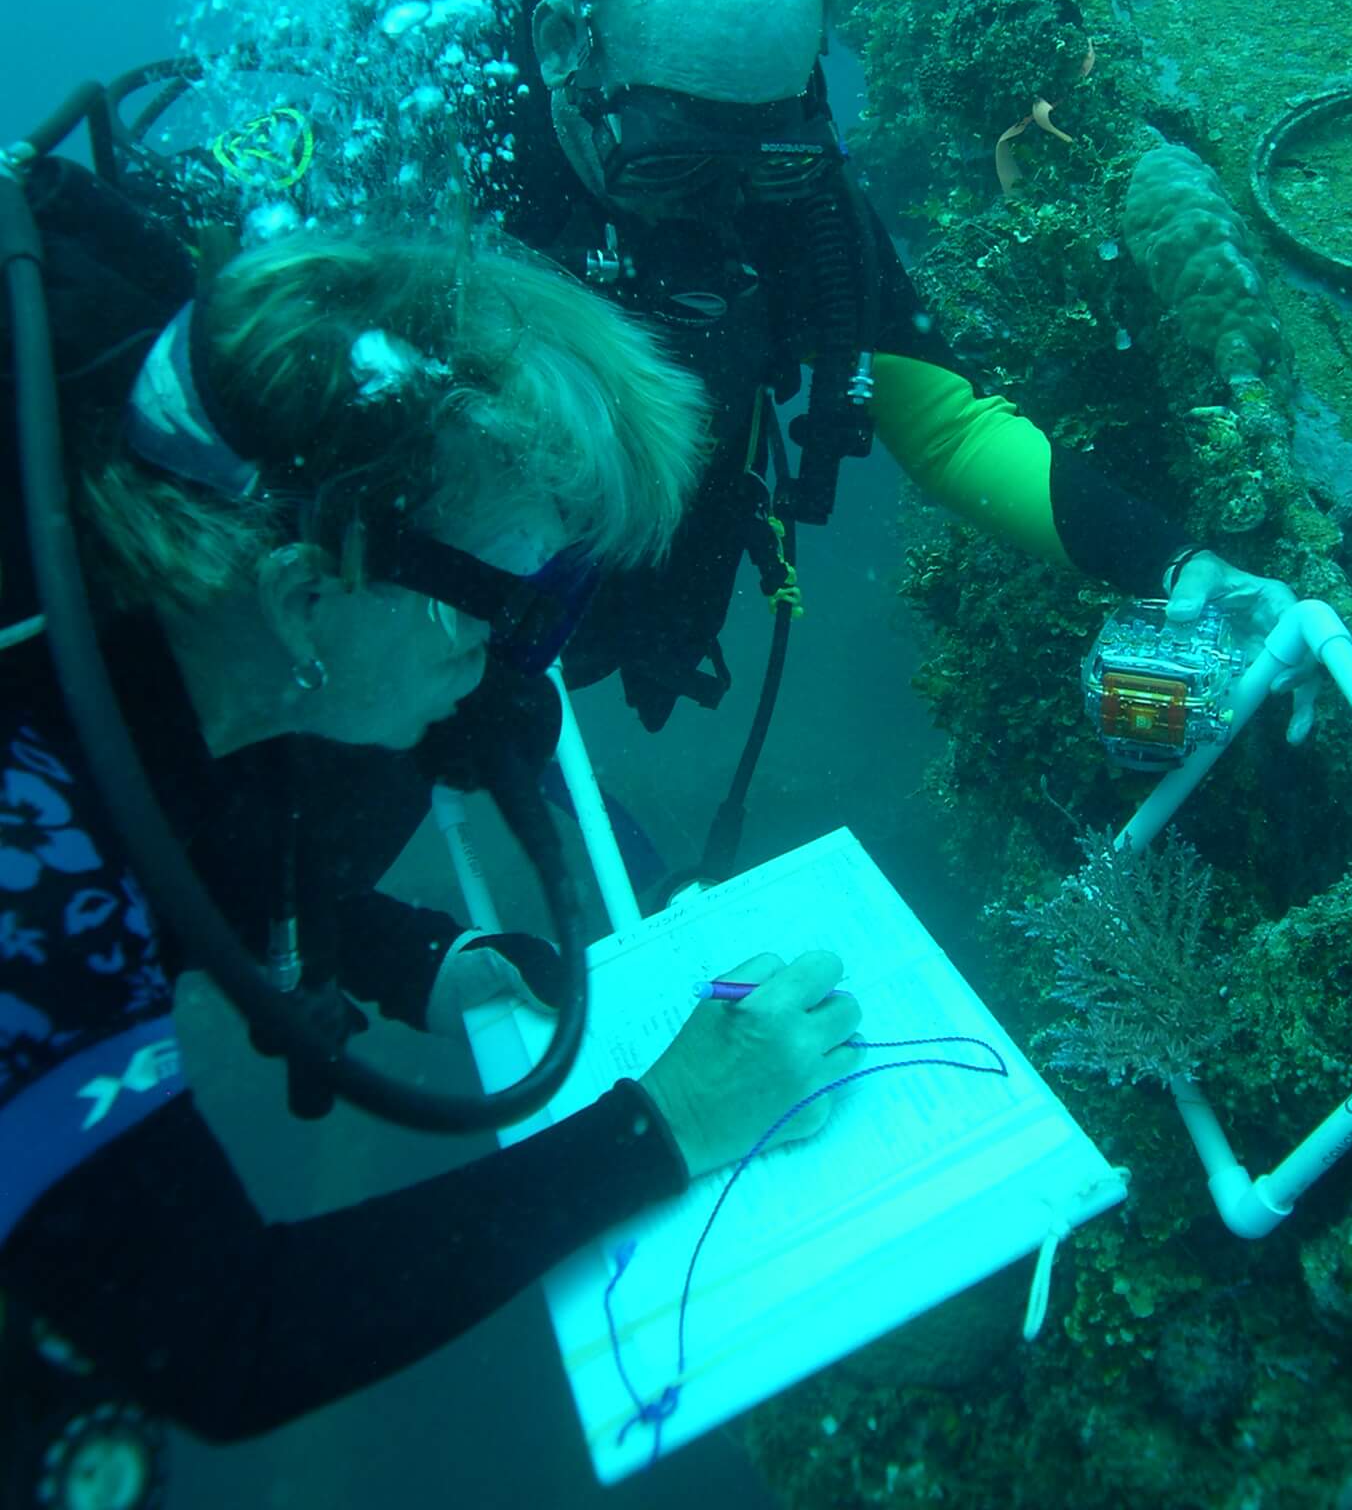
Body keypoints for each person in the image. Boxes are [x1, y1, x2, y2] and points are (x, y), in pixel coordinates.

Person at [0, 175, 861, 1465]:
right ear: (307, 598)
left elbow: (213, 864)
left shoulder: (191, 661)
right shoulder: (29, 852)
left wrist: (422, 963)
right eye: (517, 608)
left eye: (561, 600)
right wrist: (666, 1123)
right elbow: (227, 1330)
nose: (528, 665)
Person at [476, 0, 1314, 781]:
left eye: (769, 167)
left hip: (619, 587)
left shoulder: (797, 199)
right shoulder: (452, 147)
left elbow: (949, 428)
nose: (719, 206)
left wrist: (1170, 559)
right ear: (564, 46)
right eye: (676, 165)